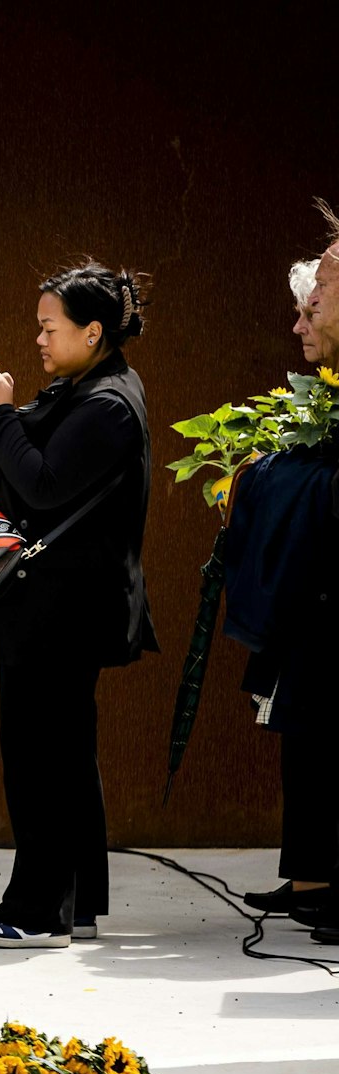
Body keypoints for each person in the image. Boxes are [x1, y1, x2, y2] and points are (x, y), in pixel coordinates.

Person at [0, 262, 156, 949]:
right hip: (59, 604)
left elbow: (39, 484)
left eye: (49, 326)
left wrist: (1, 412)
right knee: (65, 750)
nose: (38, 338)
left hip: (60, 610)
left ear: (92, 331)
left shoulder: (107, 403)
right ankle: (80, 901)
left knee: (39, 752)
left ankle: (38, 911)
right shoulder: (93, 388)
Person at [232, 216, 339, 936]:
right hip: (317, 599)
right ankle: (312, 877)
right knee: (309, 738)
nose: (305, 314)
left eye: (321, 291)